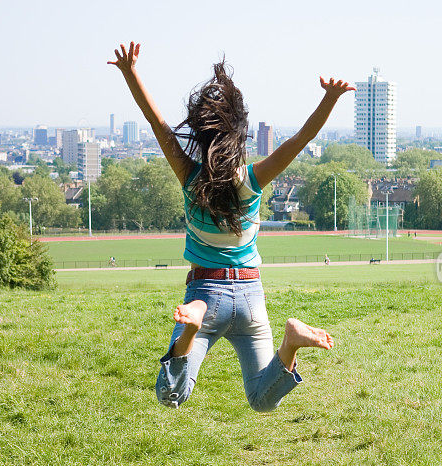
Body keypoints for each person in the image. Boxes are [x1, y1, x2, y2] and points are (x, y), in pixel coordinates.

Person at [109, 42, 347, 411]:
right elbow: (301, 139)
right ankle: (290, 343)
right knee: (261, 400)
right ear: (239, 136)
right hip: (251, 296)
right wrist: (330, 99)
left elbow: (157, 124)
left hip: (205, 293)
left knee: (171, 394)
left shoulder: (190, 177)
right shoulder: (253, 179)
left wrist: (130, 72)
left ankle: (191, 328)